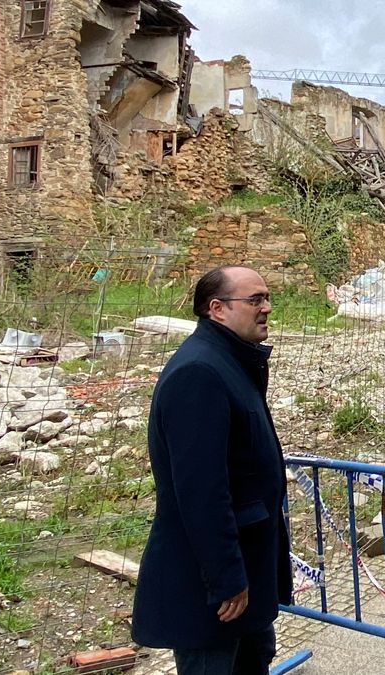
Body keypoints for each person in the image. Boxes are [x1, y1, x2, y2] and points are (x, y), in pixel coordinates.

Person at [132, 266, 292, 675]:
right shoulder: (199, 373)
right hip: (214, 592)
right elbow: (201, 490)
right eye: (255, 300)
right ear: (217, 309)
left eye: (267, 298)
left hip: (245, 574)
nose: (267, 308)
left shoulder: (229, 361)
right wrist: (226, 578)